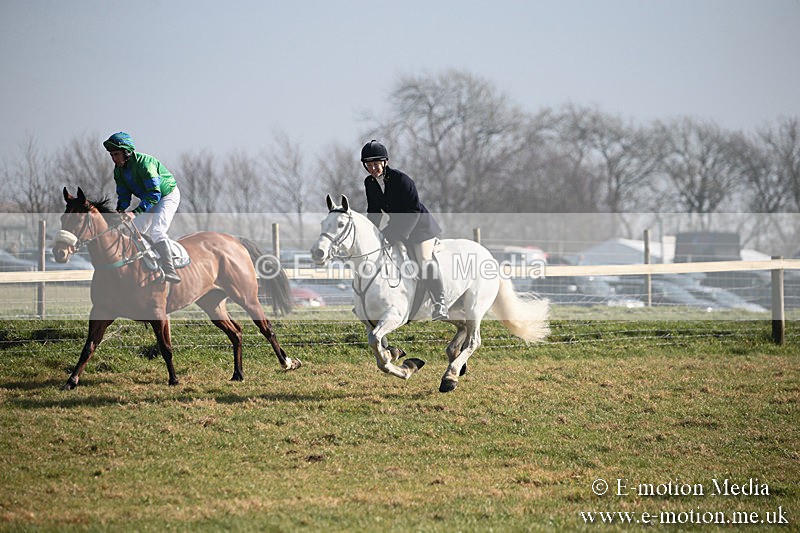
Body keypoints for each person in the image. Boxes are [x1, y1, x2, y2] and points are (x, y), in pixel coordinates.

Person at [361, 140, 448, 320]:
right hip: (397, 225)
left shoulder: (402, 180)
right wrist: (371, 233)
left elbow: (413, 211)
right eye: (369, 165)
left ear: (384, 162)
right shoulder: (369, 183)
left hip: (420, 226)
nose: (373, 168)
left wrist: (399, 235)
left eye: (376, 164)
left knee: (423, 260)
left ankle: (440, 303)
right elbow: (374, 211)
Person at [103, 132, 182, 284]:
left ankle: (169, 269)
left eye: (116, 154)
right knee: (132, 232)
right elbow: (124, 194)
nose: (113, 158)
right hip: (150, 199)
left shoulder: (145, 164)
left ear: (127, 152)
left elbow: (154, 195)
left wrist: (135, 212)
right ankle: (143, 268)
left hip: (166, 196)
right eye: (111, 155)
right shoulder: (118, 170)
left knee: (157, 231)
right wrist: (120, 211)